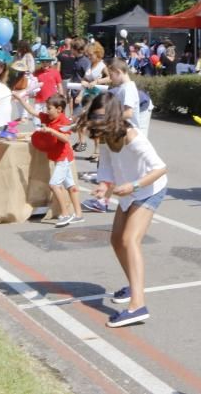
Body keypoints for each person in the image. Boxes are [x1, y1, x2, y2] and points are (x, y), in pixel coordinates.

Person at [81, 93, 168, 328]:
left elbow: (160, 168)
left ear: (112, 116)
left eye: (100, 117)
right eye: (94, 117)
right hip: (128, 191)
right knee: (116, 240)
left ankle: (137, 306)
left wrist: (134, 185)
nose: (96, 122)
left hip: (149, 189)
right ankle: (134, 286)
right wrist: (103, 185)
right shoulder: (107, 135)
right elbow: (107, 164)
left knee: (130, 240)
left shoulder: (133, 137)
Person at [18, 93, 85, 227]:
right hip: (58, 157)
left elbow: (66, 139)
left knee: (54, 185)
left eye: (49, 108)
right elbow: (32, 111)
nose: (46, 111)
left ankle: (65, 214)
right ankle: (78, 215)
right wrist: (21, 99)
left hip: (63, 158)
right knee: (71, 186)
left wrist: (51, 131)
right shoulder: (48, 117)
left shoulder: (64, 121)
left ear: (59, 109)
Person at [108, 58, 152, 135]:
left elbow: (128, 113)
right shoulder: (123, 87)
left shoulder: (128, 89)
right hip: (127, 131)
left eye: (111, 75)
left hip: (131, 133)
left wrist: (110, 118)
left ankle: (82, 147)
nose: (110, 78)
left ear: (118, 72)